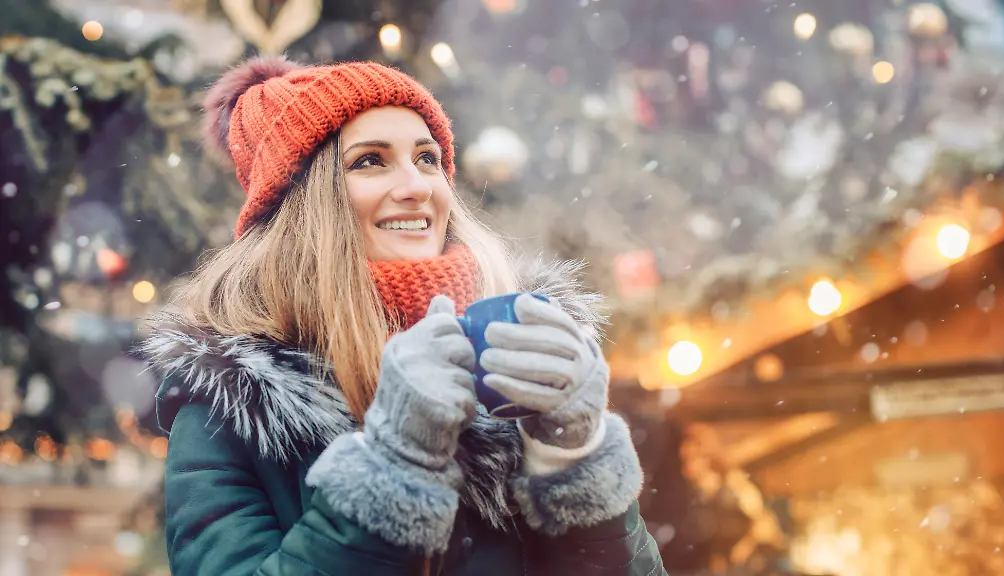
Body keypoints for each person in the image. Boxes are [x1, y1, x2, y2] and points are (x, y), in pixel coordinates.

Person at [139, 57, 665, 575]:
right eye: (370, 160)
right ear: (304, 205)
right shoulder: (231, 403)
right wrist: (393, 467)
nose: (418, 186)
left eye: (428, 158)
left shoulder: (515, 351)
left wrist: (575, 456)